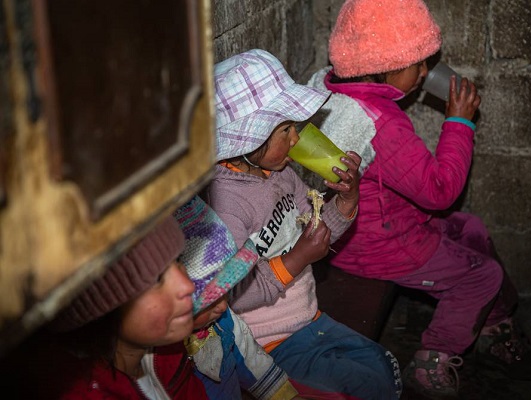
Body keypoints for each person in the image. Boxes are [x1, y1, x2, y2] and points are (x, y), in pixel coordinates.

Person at [305, 0, 531, 397]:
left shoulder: (332, 88)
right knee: (482, 275)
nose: (424, 73)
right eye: (417, 63)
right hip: (377, 246)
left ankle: (492, 324)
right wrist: (459, 121)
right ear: (385, 66)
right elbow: (439, 191)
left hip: (369, 225)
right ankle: (431, 360)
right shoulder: (381, 123)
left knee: (470, 228)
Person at [204, 48, 402, 399]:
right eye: (285, 130)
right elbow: (228, 295)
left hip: (309, 318)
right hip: (270, 344)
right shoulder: (227, 205)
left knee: (381, 367)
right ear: (250, 140)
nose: (296, 139)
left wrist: (345, 200)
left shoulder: (277, 173)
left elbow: (314, 232)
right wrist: (298, 257)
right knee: (364, 388)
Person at [44, 216, 208, 399]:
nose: (188, 285)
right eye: (156, 279)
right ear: (103, 306)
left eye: (178, 260)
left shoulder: (166, 347)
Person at [174, 194, 303, 400]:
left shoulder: (223, 321)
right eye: (210, 300)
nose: (223, 306)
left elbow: (252, 362)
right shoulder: (164, 357)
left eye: (225, 293)